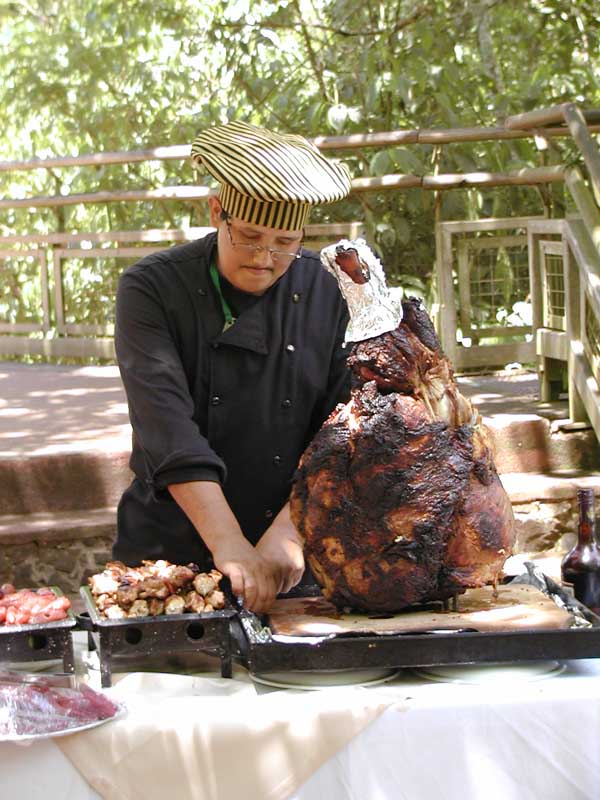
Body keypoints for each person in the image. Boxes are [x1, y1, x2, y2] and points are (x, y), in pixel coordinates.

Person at [113, 120, 352, 612]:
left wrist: (290, 530)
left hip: (291, 560)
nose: (266, 258)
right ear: (217, 211)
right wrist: (229, 544)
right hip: (171, 559)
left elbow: (345, 428)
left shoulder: (330, 291)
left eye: (286, 241)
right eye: (249, 236)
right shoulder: (152, 289)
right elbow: (167, 430)